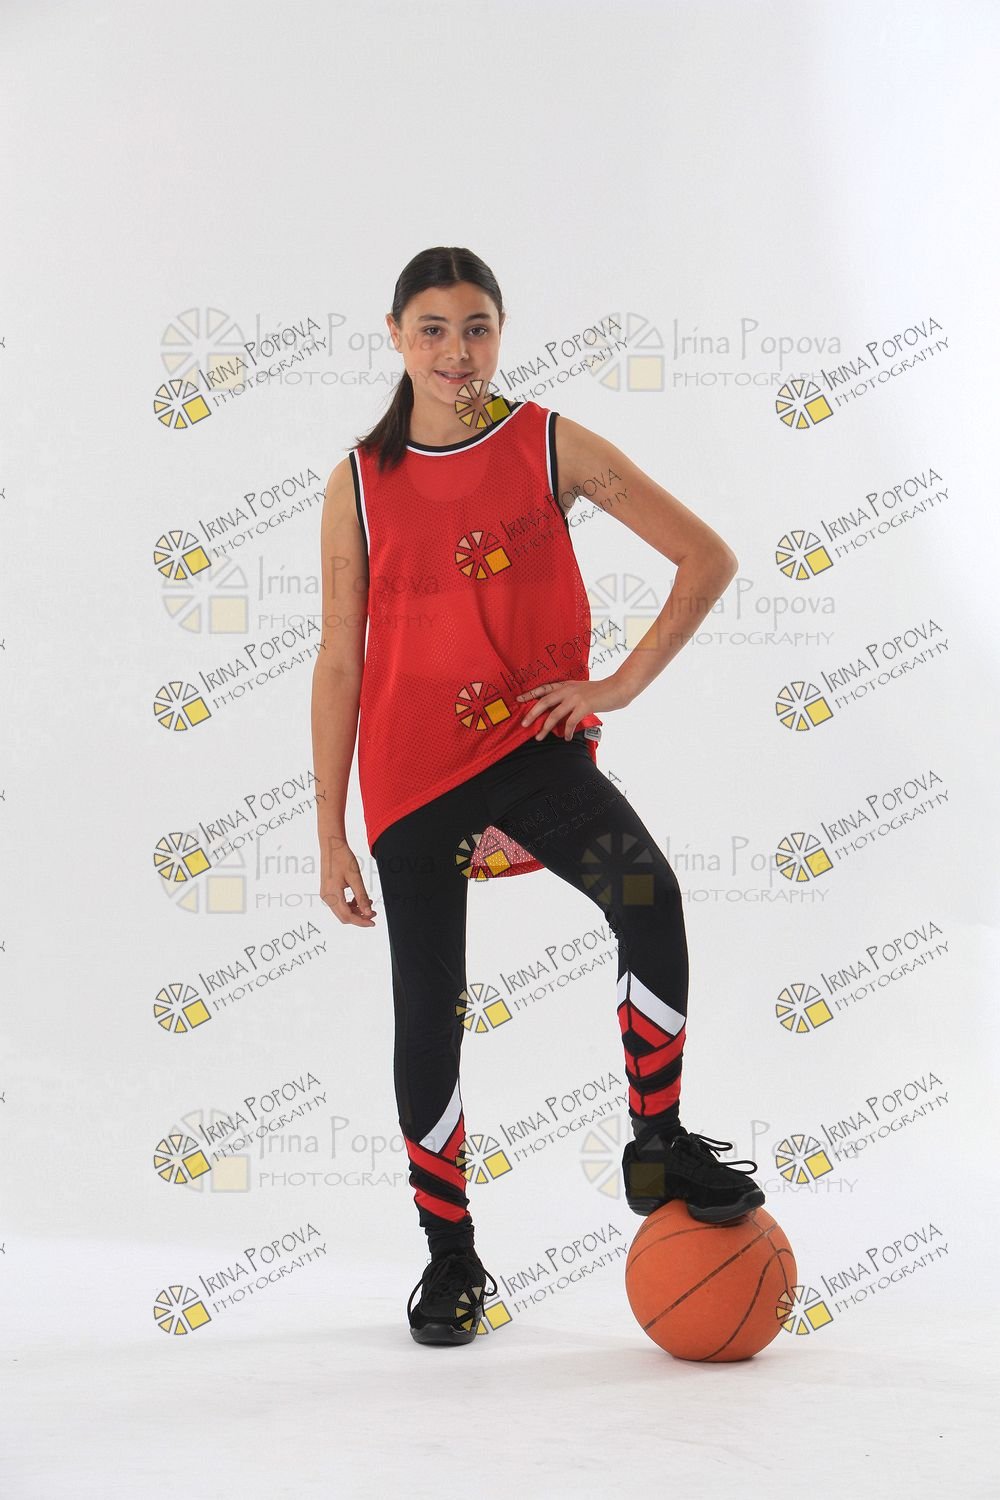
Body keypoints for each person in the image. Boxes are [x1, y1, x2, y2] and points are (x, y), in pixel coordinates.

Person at [311, 245, 764, 1347]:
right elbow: (338, 657)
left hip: (528, 749)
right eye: (432, 329)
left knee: (646, 895)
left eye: (477, 327)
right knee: (430, 1013)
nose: (456, 352)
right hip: (410, 775)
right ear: (394, 336)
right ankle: (451, 1260)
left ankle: (656, 1140)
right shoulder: (357, 482)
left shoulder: (548, 443)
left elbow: (705, 557)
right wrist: (329, 830)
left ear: (500, 334)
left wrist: (617, 685)